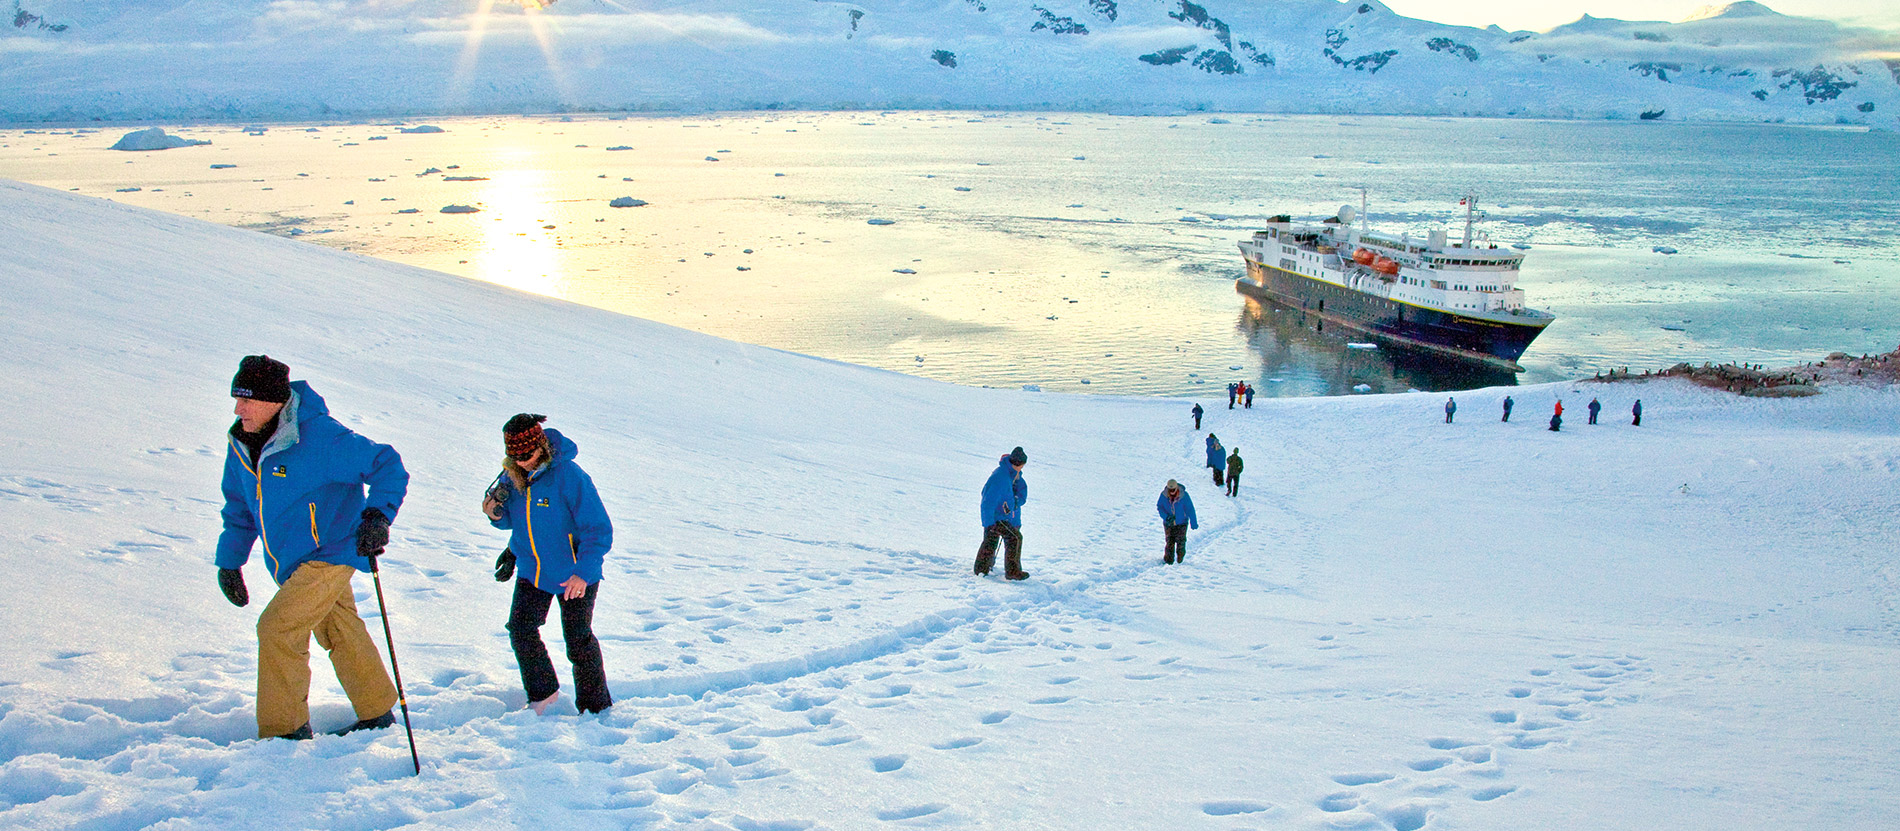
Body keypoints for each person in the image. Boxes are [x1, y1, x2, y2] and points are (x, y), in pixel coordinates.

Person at [215, 355, 406, 740]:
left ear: (273, 402)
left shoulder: (319, 436)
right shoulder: (242, 444)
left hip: (331, 551)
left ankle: (285, 731)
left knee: (277, 629)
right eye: (236, 399)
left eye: (247, 400)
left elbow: (387, 464)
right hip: (292, 561)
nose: (239, 409)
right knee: (340, 628)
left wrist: (377, 516)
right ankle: (377, 711)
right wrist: (230, 562)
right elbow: (239, 508)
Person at [483, 413, 615, 715]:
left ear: (540, 446)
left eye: (527, 455)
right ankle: (544, 696)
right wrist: (496, 515)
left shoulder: (570, 476)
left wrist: (584, 573)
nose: (522, 462)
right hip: (533, 571)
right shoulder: (513, 475)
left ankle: (596, 709)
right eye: (514, 457)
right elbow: (517, 522)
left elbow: (599, 529)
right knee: (521, 628)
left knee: (578, 641)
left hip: (574, 574)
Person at [975, 446, 1030, 580]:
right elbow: (987, 500)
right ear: (1017, 463)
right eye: (1021, 466)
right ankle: (1012, 572)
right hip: (996, 518)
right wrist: (988, 524)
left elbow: (1019, 494)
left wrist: (1015, 502)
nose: (1022, 468)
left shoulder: (1012, 475)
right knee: (1014, 538)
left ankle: (981, 569)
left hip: (1003, 517)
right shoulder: (1000, 476)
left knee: (992, 541)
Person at [1156, 480, 1198, 564]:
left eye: (1173, 490)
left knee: (1181, 542)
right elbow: (1160, 507)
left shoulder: (1184, 496)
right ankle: (1168, 561)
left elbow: (1190, 509)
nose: (1171, 492)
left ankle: (1180, 559)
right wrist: (1166, 517)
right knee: (1169, 542)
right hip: (1169, 523)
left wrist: (1193, 522)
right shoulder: (1163, 496)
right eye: (1170, 490)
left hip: (1182, 523)